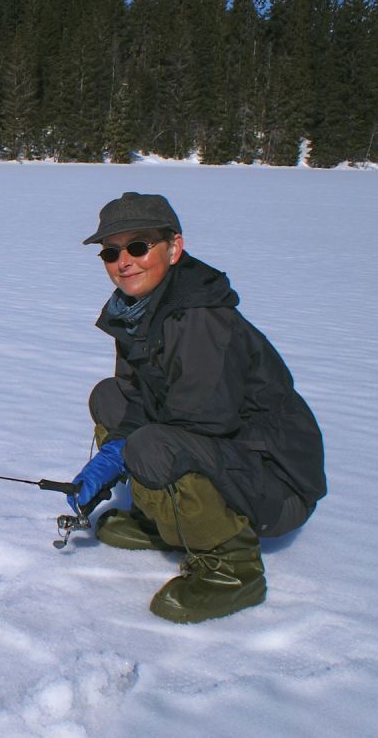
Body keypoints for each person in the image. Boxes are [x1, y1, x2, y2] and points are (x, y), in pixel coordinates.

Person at [70, 192, 325, 623]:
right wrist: (113, 450)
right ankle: (165, 522)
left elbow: (203, 420)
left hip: (276, 486)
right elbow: (134, 399)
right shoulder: (136, 314)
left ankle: (233, 567)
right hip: (231, 463)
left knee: (151, 444)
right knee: (110, 398)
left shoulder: (200, 318)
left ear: (174, 248)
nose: (123, 261)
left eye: (138, 247)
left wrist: (120, 453)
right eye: (111, 252)